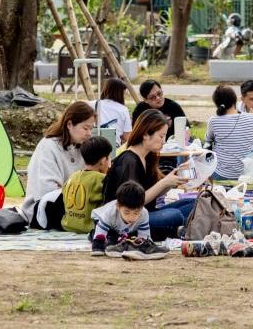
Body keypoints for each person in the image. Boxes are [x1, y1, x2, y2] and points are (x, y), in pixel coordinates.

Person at [103, 109, 197, 241]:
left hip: (146, 213)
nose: (163, 141)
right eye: (161, 136)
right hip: (126, 220)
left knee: (195, 204)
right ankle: (176, 228)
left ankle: (177, 228)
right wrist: (163, 183)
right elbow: (132, 203)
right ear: (146, 134)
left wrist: (171, 181)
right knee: (174, 215)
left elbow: (152, 194)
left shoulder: (147, 157)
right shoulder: (128, 161)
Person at [22, 101, 97, 226]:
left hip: (73, 207)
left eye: (91, 128)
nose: (89, 133)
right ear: (69, 124)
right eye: (85, 128)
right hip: (43, 209)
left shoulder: (83, 148)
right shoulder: (48, 146)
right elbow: (47, 192)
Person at [205, 84, 253, 180]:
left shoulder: (213, 121)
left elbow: (207, 142)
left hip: (220, 174)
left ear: (217, 104)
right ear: (235, 100)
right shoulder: (252, 118)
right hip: (246, 175)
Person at [90, 181, 166, 259]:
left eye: (136, 213)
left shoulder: (144, 214)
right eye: (127, 212)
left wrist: (142, 245)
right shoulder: (109, 213)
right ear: (118, 206)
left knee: (131, 238)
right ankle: (96, 236)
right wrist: (97, 246)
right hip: (103, 222)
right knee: (110, 238)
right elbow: (101, 231)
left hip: (125, 229)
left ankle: (119, 239)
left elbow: (144, 236)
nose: (132, 218)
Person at [61, 137, 114, 233]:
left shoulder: (73, 176)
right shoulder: (101, 179)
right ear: (103, 161)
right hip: (88, 229)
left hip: (67, 226)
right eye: (108, 158)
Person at [95, 78, 132, 143]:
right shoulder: (123, 110)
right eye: (124, 94)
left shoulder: (93, 104)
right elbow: (127, 136)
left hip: (93, 145)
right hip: (113, 146)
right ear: (120, 94)